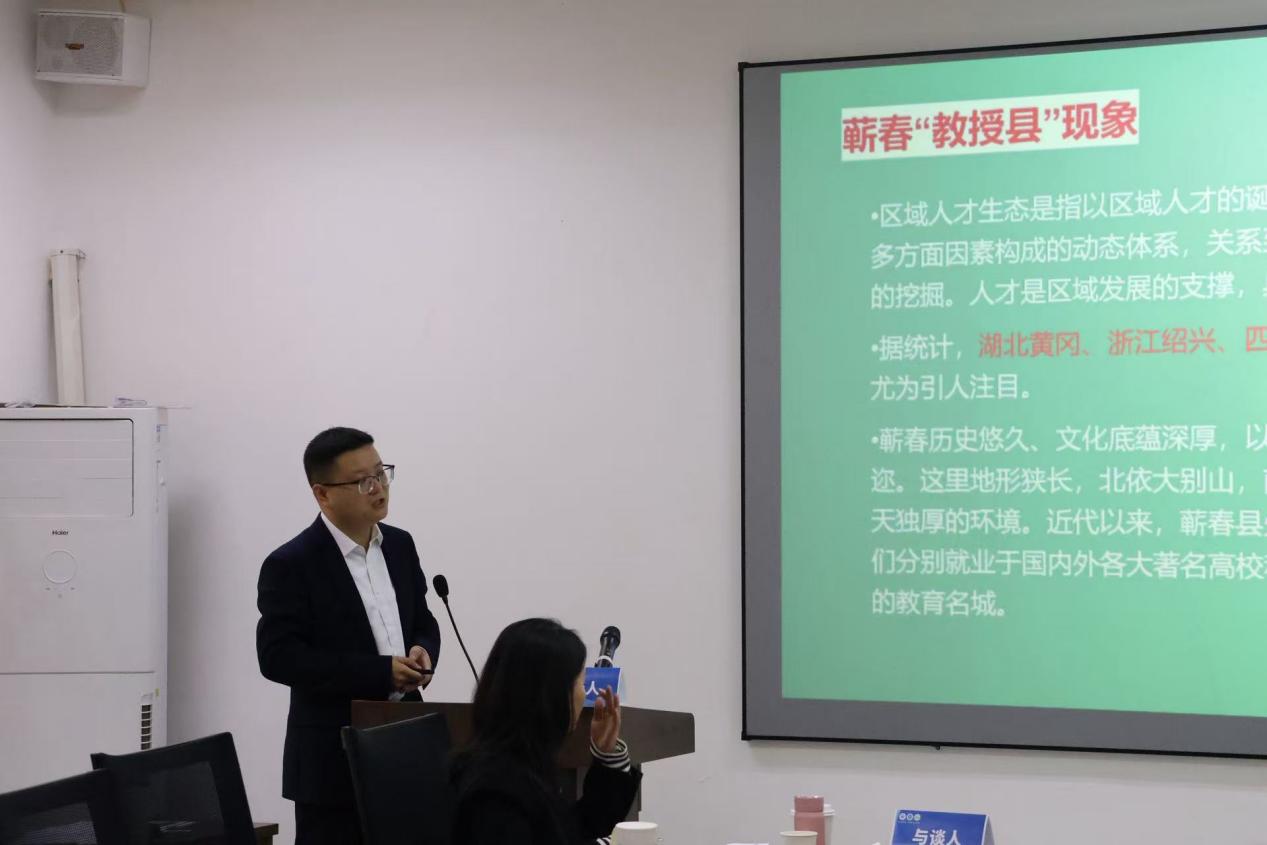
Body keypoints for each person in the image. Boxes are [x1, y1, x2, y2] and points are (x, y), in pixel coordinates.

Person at [257, 427, 441, 845]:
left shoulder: (400, 545)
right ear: (323, 494)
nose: (378, 488)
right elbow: (279, 657)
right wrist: (380, 672)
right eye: (362, 481)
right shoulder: (292, 564)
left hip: (406, 745)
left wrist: (423, 649)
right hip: (330, 760)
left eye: (381, 473)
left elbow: (423, 620)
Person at [451, 618, 642, 845]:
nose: (585, 694)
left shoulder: (520, 766)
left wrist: (607, 753)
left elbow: (576, 828)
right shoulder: (494, 794)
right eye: (580, 683)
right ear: (550, 696)